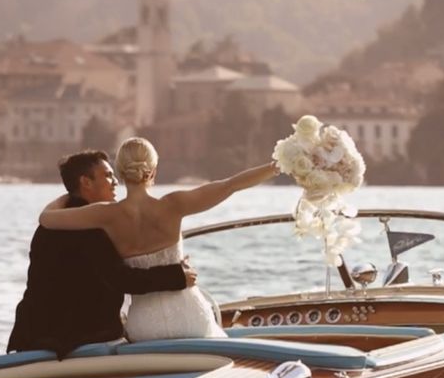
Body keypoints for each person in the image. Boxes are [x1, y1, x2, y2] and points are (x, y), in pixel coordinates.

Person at [38, 137, 278, 341]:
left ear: (120, 173)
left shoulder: (105, 214)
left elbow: (47, 218)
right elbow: (231, 185)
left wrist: (64, 198)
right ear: (152, 171)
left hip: (144, 327)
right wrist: (278, 165)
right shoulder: (173, 205)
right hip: (189, 318)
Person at [8, 149, 196, 358]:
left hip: (31, 336)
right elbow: (120, 279)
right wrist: (176, 275)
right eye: (108, 175)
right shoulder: (93, 228)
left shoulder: (49, 224)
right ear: (86, 182)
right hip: (78, 339)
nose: (116, 181)